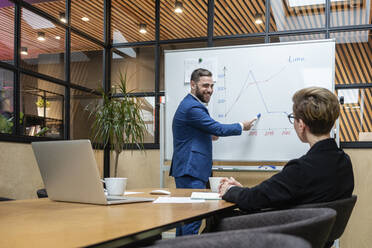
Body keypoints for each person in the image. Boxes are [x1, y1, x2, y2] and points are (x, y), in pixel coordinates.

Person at [219, 86, 354, 212]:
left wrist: (230, 190)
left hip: (284, 234)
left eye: (293, 118)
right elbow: (267, 197)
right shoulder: (344, 162)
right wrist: (243, 192)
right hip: (315, 235)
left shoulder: (301, 170)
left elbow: (253, 200)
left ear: (301, 125)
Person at [170, 68, 256, 236]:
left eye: (211, 85)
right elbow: (217, 127)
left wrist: (208, 134)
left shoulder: (191, 105)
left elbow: (197, 131)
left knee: (186, 218)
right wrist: (241, 126)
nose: (209, 90)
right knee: (192, 218)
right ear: (193, 85)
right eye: (205, 85)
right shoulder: (192, 107)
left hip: (190, 169)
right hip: (190, 169)